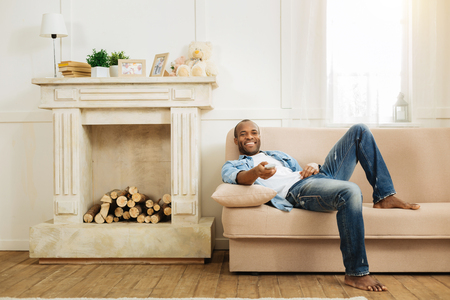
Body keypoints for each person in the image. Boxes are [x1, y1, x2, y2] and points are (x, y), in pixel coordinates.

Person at [221, 119, 420, 292]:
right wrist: (256, 173)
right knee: (350, 191)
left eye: (254, 132)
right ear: (236, 140)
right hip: (297, 192)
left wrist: (314, 166)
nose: (250, 137)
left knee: (359, 130)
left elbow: (302, 173)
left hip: (316, 179)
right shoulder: (235, 164)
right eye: (243, 134)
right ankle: (356, 273)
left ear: (259, 136)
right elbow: (240, 179)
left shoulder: (277, 156)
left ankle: (384, 196)